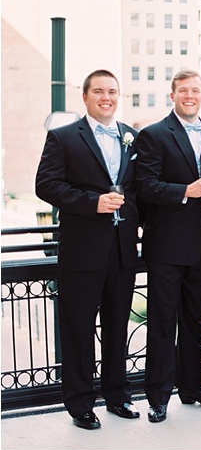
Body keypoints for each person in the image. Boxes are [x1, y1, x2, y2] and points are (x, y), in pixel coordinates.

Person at [35, 70, 140, 430]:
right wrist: (91, 202)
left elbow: (139, 190)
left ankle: (118, 395)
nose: (106, 97)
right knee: (79, 330)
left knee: (116, 326)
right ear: (85, 97)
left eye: (112, 91)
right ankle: (80, 403)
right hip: (82, 251)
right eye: (99, 91)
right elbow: (45, 185)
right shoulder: (63, 137)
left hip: (123, 249)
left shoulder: (132, 137)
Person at [135, 70, 201, 423]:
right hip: (167, 246)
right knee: (162, 322)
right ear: (172, 95)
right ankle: (158, 396)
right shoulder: (154, 135)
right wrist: (185, 191)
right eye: (183, 90)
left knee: (194, 323)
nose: (190, 96)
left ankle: (192, 386)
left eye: (195, 91)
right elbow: (145, 186)